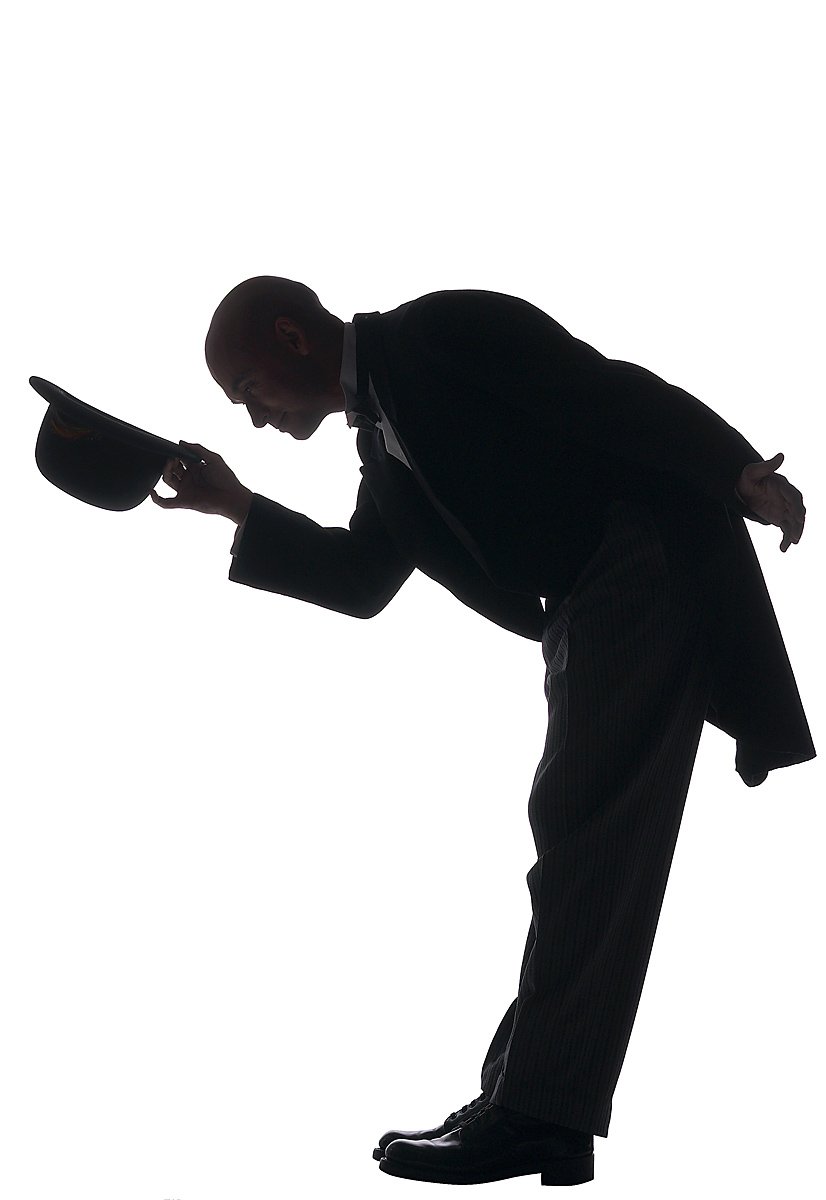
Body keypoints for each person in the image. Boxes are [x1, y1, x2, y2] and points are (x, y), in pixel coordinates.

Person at [152, 276, 814, 1187]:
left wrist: (733, 470)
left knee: (585, 834)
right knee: (582, 837)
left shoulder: (441, 330)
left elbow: (607, 391)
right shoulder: (381, 449)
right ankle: (531, 1101)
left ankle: (539, 1112)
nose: (255, 419)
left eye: (249, 392)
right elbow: (359, 580)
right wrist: (235, 507)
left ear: (290, 338)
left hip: (639, 565)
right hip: (586, 599)